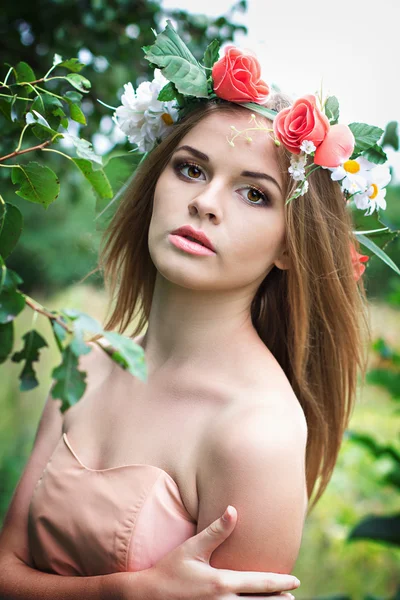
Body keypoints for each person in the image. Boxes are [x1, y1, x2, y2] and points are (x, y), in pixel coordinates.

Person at [1, 20, 389, 599]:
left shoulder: (255, 432)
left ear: (290, 245)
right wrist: (125, 593)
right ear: (157, 181)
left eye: (254, 193)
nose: (205, 202)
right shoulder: (85, 359)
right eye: (192, 168)